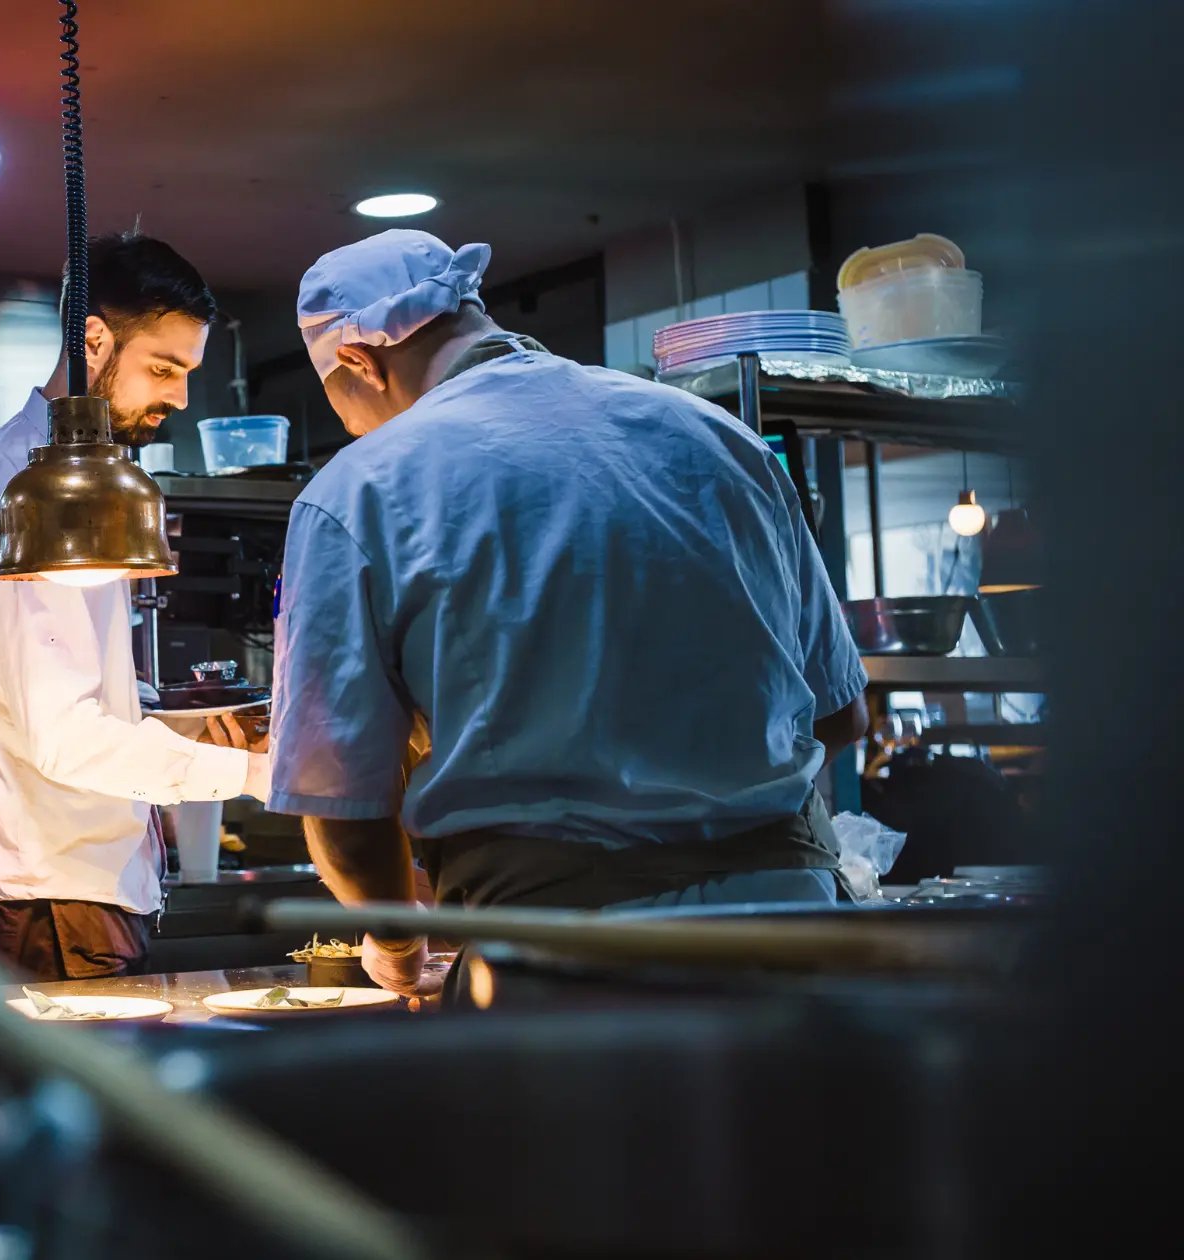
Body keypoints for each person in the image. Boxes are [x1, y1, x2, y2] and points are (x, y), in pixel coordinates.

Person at [267, 229, 870, 993]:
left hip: (559, 956)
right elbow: (840, 717)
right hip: (791, 933)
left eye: (342, 405)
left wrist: (396, 945)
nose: (354, 425)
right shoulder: (721, 438)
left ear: (359, 363)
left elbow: (344, 810)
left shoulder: (358, 490)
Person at [0, 231, 271, 981]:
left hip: (46, 899)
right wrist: (258, 776)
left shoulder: (53, 480)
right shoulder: (33, 491)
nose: (179, 396)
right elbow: (68, 739)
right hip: (47, 909)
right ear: (93, 338)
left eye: (187, 372)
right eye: (162, 367)